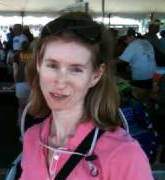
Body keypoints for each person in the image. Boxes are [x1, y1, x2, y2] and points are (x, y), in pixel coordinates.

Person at [20, 12, 153, 180]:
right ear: (39, 65)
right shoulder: (32, 138)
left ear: (96, 75)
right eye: (52, 65)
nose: (60, 82)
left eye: (76, 69)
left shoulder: (124, 154)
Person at [119, 28, 156, 103]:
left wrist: (107, 62)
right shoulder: (145, 41)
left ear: (129, 37)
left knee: (138, 97)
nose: (126, 43)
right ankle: (145, 108)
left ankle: (140, 109)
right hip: (151, 74)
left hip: (140, 76)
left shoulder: (133, 44)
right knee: (145, 95)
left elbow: (121, 60)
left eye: (125, 41)